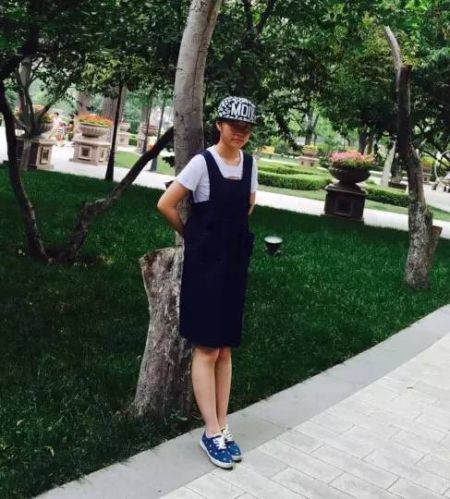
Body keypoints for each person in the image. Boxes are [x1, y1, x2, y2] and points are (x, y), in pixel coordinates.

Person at [157, 96, 258, 469]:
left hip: (233, 265)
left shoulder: (250, 164)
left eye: (246, 128)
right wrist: (192, 236)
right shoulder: (202, 163)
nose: (240, 133)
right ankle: (211, 432)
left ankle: (223, 425)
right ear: (219, 125)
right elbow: (166, 204)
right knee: (207, 349)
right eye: (234, 126)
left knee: (226, 349)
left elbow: (247, 205)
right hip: (205, 267)